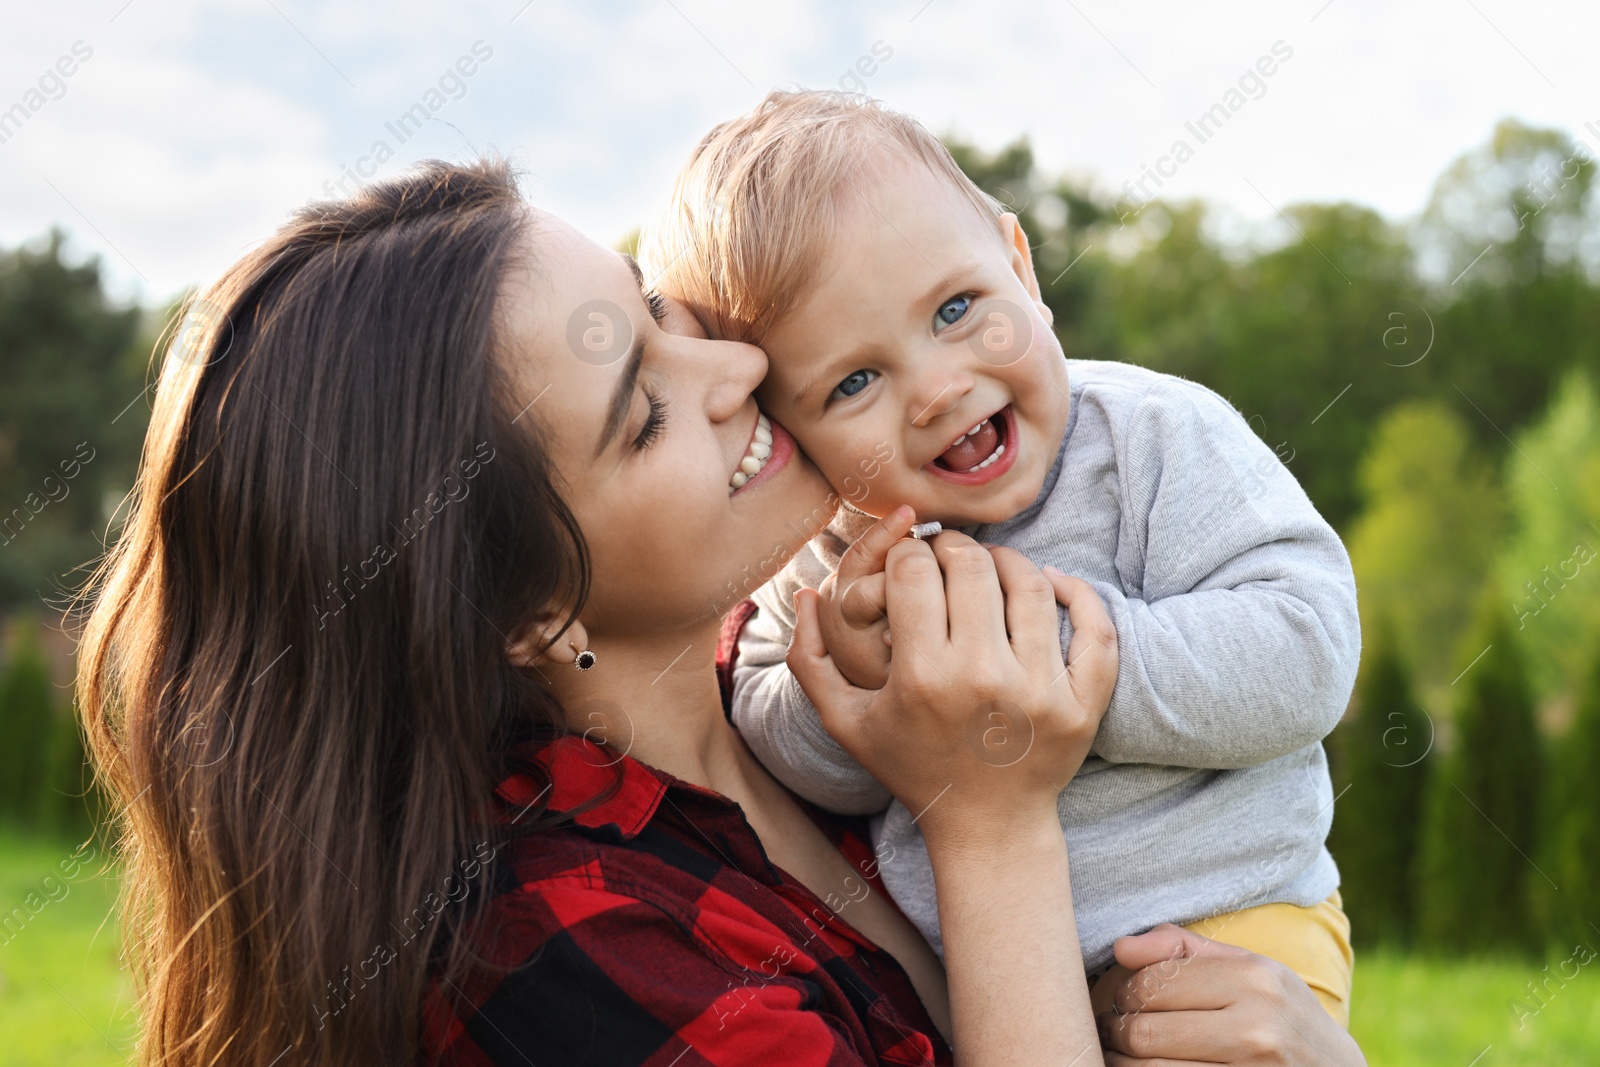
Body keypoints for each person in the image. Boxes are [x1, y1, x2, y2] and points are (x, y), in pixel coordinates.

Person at [77, 159, 1363, 1066]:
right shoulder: (567, 952)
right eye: (643, 411)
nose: (745, 363)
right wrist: (990, 822)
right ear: (522, 605)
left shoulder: (799, 699)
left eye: (652, 309)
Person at [643, 89, 1361, 1024]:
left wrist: (1053, 665)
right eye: (855, 380)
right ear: (786, 429)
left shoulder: (1151, 438)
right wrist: (858, 692)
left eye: (956, 308)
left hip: (1231, 924)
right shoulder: (829, 555)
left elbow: (1305, 648)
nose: (940, 387)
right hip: (981, 986)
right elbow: (784, 741)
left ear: (1020, 265)